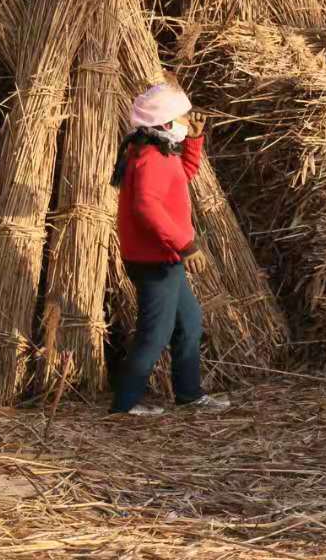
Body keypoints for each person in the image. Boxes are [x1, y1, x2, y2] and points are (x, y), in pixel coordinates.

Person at [109, 82, 231, 417]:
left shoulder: (159, 153)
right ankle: (125, 404)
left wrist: (193, 141)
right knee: (155, 334)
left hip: (165, 258)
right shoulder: (149, 158)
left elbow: (183, 176)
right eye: (182, 119)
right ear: (164, 124)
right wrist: (186, 245)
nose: (186, 121)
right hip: (155, 260)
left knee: (189, 323)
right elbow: (146, 207)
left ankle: (190, 396)